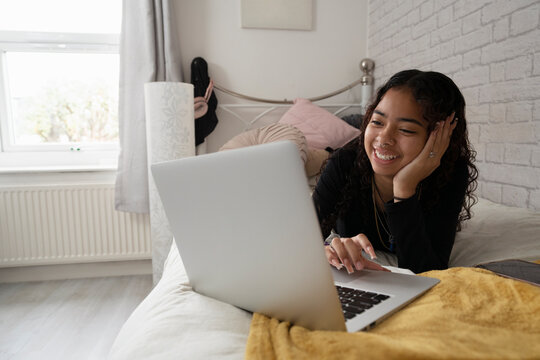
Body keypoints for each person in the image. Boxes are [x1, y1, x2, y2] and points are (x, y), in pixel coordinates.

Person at [313, 69, 478, 274]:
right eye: (377, 122)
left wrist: (404, 188)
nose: (383, 138)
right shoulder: (344, 162)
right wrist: (323, 251)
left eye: (406, 130)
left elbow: (426, 270)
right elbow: (302, 244)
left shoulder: (451, 172)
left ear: (440, 138)